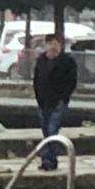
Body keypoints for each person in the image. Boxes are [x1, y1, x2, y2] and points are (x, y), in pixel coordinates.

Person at [32, 34, 77, 172]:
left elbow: (72, 81)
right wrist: (38, 97)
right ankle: (50, 159)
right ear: (46, 45)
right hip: (43, 102)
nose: (53, 46)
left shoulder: (67, 61)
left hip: (58, 102)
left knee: (52, 130)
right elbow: (36, 80)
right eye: (50, 43)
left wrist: (64, 98)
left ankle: (47, 160)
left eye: (56, 43)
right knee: (46, 131)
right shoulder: (41, 60)